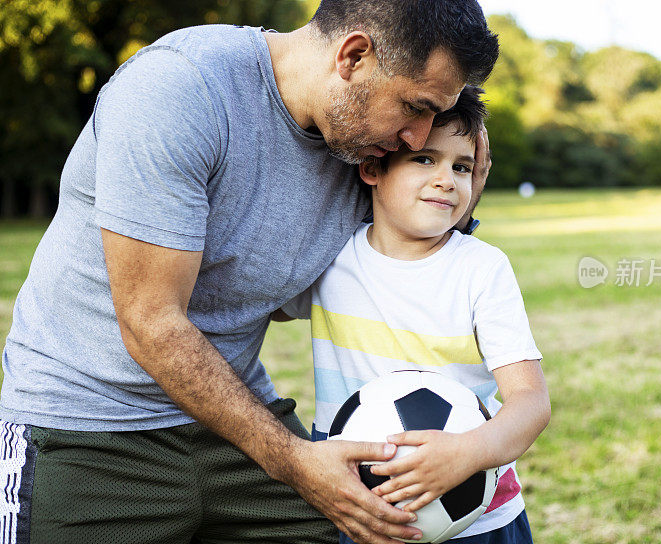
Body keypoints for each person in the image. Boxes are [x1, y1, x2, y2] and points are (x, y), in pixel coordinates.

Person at [0, 1, 499, 543]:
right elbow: (151, 323)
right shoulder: (178, 91)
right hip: (83, 430)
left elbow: (388, 253)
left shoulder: (364, 147)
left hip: (232, 420)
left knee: (374, 527)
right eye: (415, 106)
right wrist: (294, 460)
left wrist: (465, 196)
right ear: (353, 57)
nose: (419, 136)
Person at [276, 87, 551, 543]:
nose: (447, 179)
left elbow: (531, 402)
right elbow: (250, 307)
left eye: (462, 167)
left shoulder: (481, 268)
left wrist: (467, 453)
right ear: (372, 168)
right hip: (362, 513)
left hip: (478, 521)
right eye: (425, 159)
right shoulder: (330, 258)